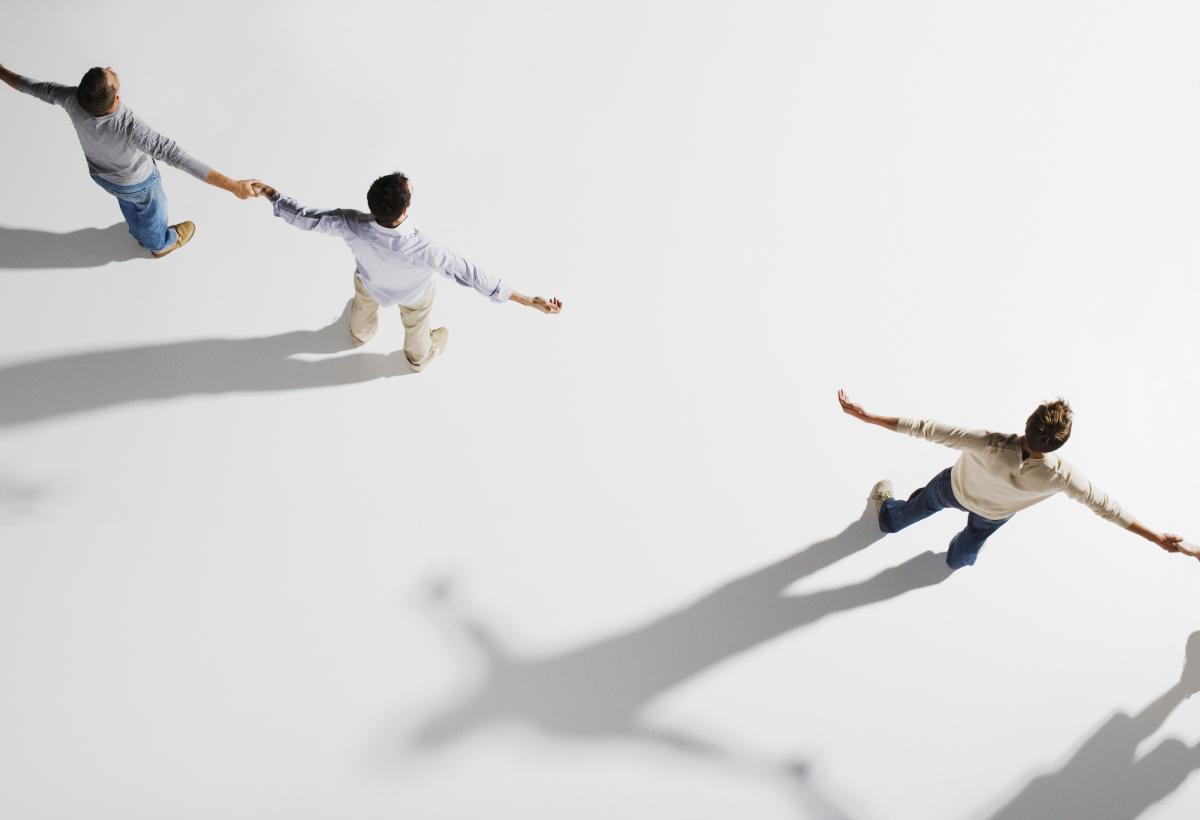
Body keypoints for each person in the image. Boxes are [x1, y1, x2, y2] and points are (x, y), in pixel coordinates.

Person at [836, 389, 1191, 568]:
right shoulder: (1063, 476)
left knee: (922, 502)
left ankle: (890, 518)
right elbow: (1107, 507)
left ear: (1028, 422)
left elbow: (925, 429)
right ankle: (957, 561)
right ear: (1058, 443)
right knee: (974, 538)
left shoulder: (988, 442)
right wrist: (1156, 537)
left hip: (954, 489)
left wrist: (867, 417)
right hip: (995, 513)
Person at [252, 174, 562, 371]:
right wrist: (527, 300)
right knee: (418, 344)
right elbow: (473, 275)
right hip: (415, 296)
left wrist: (267, 191)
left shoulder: (350, 223)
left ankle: (360, 335)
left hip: (370, 286)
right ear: (404, 210)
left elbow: (303, 216)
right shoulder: (427, 249)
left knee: (360, 322)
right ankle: (423, 354)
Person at [0, 63, 260, 257]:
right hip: (140, 182)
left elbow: (28, 85)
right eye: (111, 74)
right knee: (153, 210)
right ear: (116, 99)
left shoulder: (70, 98)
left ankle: (137, 231)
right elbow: (179, 157)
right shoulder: (130, 127)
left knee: (128, 202)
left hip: (104, 178)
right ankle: (159, 244)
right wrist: (234, 186)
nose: (111, 69)